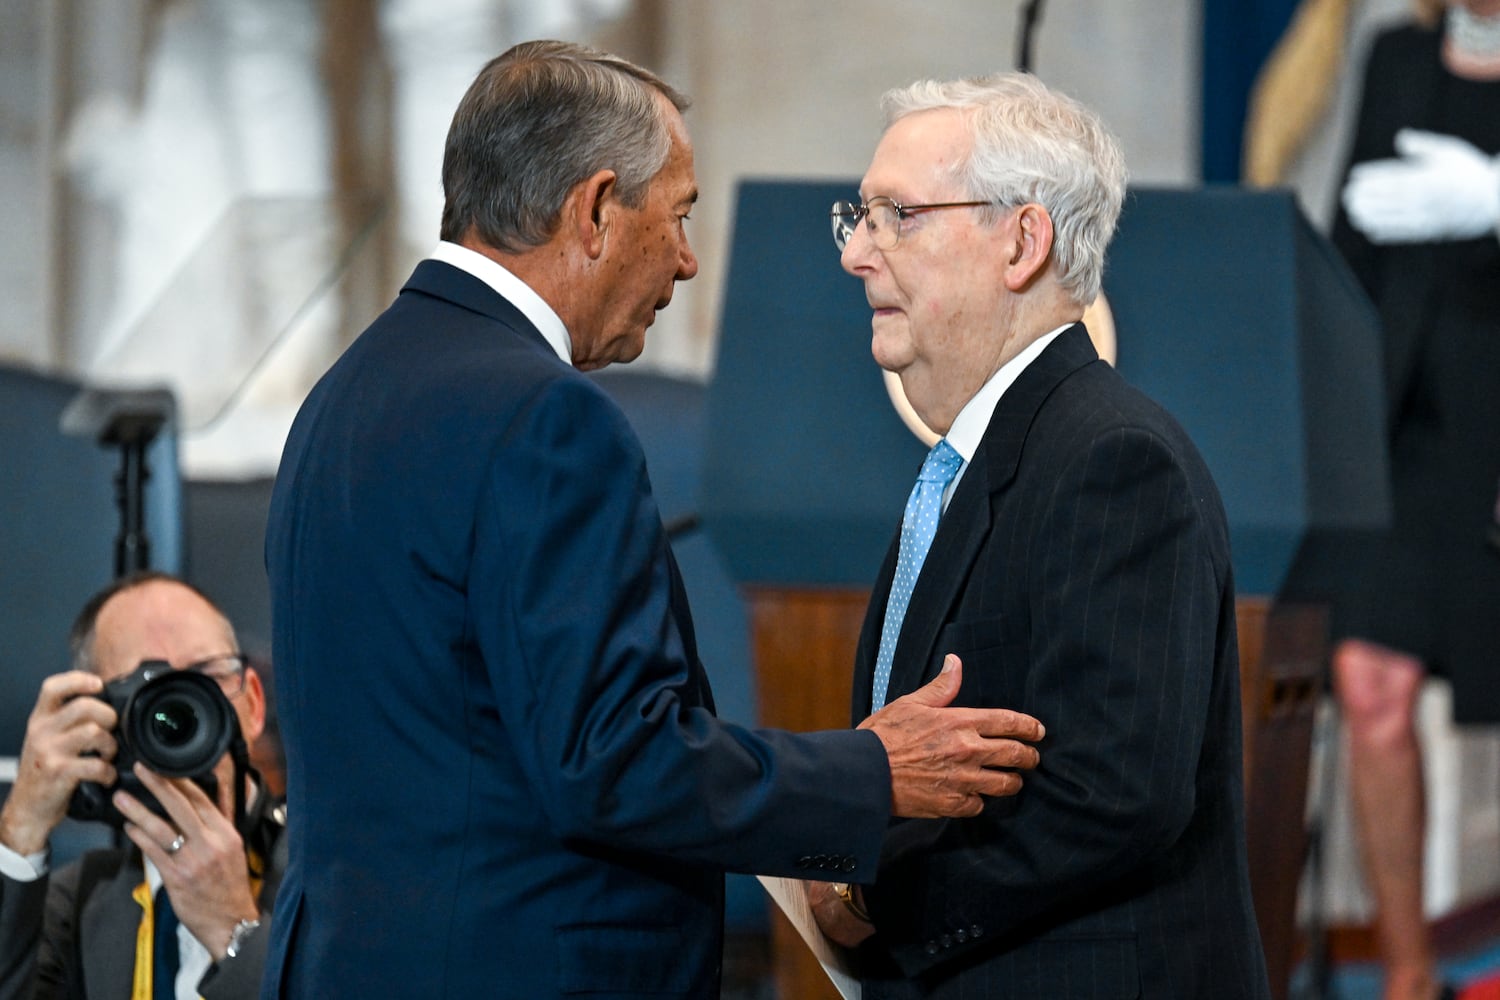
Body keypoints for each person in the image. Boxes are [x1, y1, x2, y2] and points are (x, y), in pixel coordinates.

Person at [261, 40, 1047, 1000]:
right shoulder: (545, 416)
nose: (684, 260)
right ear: (594, 210)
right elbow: (611, 758)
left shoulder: (344, 395)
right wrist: (870, 772)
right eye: (676, 215)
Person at [805, 71, 1272, 998]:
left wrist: (871, 900)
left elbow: (1114, 799)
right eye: (857, 214)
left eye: (898, 215)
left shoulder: (1115, 460)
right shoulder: (972, 460)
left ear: (1022, 241)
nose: (858, 251)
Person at [1329, 2, 1500, 998]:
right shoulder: (1395, 51)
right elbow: (1352, 239)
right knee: (1371, 685)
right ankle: (1406, 974)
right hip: (1407, 433)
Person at [0, 571, 286, 1000]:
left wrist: (233, 929)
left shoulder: (332, 878)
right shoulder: (81, 902)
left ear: (254, 704)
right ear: (92, 718)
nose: (181, 710)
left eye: (205, 674)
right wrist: (20, 829)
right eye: (146, 689)